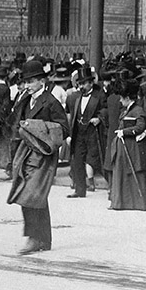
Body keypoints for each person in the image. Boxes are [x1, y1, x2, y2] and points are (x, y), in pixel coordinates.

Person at [7, 58, 68, 255]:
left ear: (42, 81)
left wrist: (38, 130)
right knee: (35, 195)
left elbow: (64, 130)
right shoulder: (25, 100)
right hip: (26, 153)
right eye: (25, 82)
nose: (27, 86)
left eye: (31, 81)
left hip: (43, 156)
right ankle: (44, 239)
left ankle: (33, 239)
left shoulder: (51, 102)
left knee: (30, 195)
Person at [106, 83, 146, 211]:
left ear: (127, 98)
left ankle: (137, 203)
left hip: (132, 147)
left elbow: (140, 127)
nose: (120, 100)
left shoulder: (138, 110)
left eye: (121, 98)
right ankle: (121, 202)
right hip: (124, 147)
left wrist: (125, 132)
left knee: (132, 172)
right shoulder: (126, 110)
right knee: (121, 173)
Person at [65, 67, 105, 198]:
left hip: (93, 132)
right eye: (79, 83)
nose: (81, 86)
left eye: (83, 83)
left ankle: (113, 188)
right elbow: (70, 116)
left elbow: (106, 109)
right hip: (79, 133)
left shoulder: (99, 95)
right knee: (77, 161)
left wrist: (99, 118)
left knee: (96, 159)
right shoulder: (74, 97)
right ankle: (79, 190)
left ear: (91, 83)